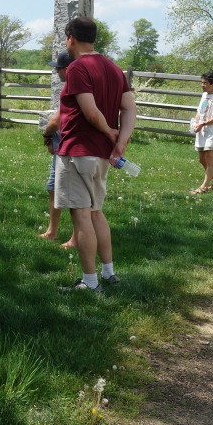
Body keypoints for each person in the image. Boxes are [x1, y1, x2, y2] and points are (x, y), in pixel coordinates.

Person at [55, 16, 137, 294]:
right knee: (97, 212)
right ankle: (109, 273)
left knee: (81, 217)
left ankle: (90, 283)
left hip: (78, 149)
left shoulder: (77, 67)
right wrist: (120, 140)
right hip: (101, 155)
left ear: (70, 39)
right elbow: (129, 109)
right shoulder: (114, 68)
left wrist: (110, 133)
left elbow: (90, 112)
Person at [40, 52, 75, 247]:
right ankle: (52, 231)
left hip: (71, 147)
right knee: (53, 187)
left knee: (73, 194)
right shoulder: (69, 88)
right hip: (62, 144)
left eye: (58, 68)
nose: (56, 72)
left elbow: (56, 119)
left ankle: (76, 238)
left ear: (67, 69)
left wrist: (46, 134)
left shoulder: (75, 87)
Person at [191, 71, 213, 194]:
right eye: (202, 82)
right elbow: (199, 112)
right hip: (201, 131)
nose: (202, 85)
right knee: (201, 159)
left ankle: (203, 187)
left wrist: (203, 124)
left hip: (212, 132)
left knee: (209, 158)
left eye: (205, 83)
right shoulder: (204, 95)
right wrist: (196, 123)